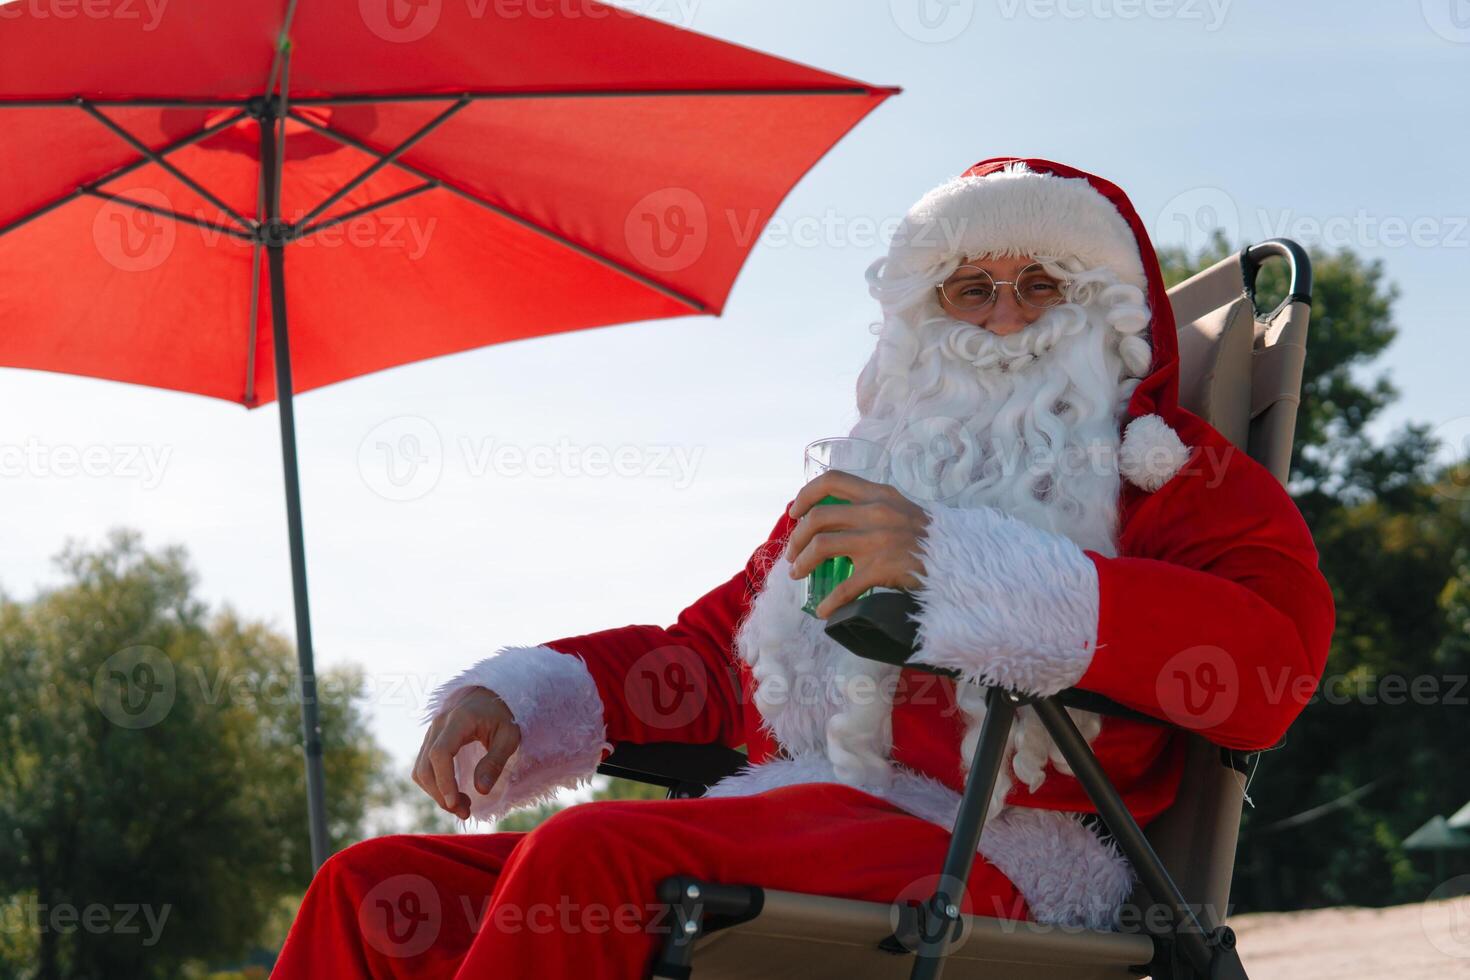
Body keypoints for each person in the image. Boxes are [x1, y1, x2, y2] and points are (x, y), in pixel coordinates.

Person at [272, 157, 1336, 979]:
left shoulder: (1167, 473)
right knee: (372, 886)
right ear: (924, 315)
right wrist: (529, 692)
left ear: (1107, 310)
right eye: (971, 287)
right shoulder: (864, 484)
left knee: (587, 859)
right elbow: (707, 659)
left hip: (998, 854)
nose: (1005, 315)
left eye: (1044, 283)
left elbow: (1272, 666)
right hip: (805, 811)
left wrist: (978, 576)